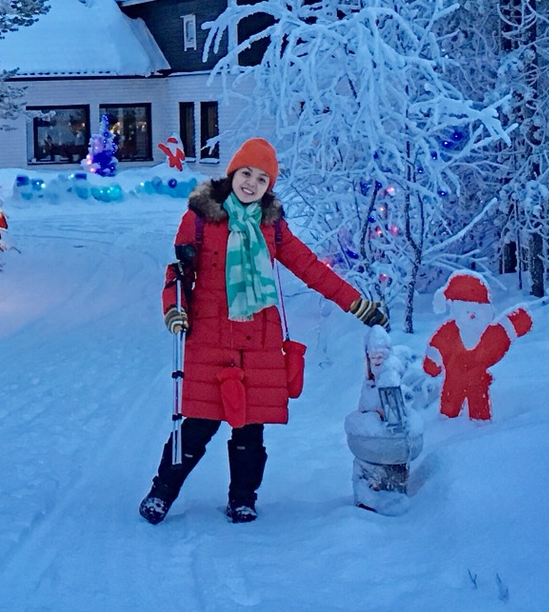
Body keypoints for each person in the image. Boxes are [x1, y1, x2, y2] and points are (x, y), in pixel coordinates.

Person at [141, 137, 388, 525]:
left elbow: (310, 268)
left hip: (259, 340)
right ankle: (161, 492)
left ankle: (243, 498)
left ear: (268, 186)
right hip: (210, 337)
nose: (251, 183)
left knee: (249, 430)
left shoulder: (272, 227)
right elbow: (177, 274)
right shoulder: (201, 219)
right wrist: (174, 310)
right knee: (197, 426)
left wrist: (356, 304)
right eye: (246, 174)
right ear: (233, 173)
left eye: (261, 178)